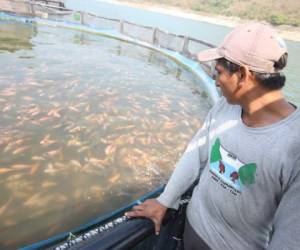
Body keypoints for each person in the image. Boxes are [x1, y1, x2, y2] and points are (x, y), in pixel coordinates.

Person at [126, 22, 300, 250]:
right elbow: (194, 154)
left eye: (218, 73)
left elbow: (290, 238)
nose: (215, 82)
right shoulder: (225, 107)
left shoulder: (294, 144)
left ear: (242, 74)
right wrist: (164, 201)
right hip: (190, 228)